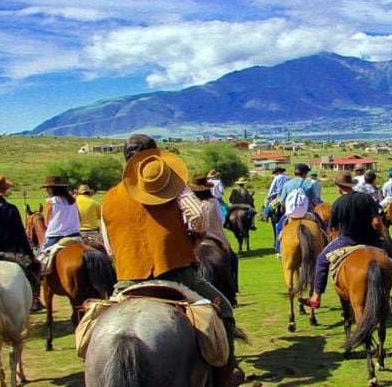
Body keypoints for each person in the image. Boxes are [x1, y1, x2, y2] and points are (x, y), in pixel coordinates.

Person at [100, 134, 242, 385]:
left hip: (128, 281)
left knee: (94, 327)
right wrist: (194, 239)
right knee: (225, 311)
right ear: (153, 158)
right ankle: (225, 377)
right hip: (175, 274)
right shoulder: (170, 184)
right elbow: (198, 216)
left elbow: (110, 248)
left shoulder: (110, 197)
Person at [298, 171, 388, 309]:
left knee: (322, 258)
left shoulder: (338, 204)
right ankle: (387, 298)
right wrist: (381, 234)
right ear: (351, 184)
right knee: (388, 260)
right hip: (370, 239)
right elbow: (376, 222)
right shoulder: (366, 198)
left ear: (338, 187)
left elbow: (333, 229)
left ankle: (316, 296)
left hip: (348, 240)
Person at [0, 174, 43, 311]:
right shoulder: (10, 208)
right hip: (9, 253)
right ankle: (34, 300)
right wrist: (30, 255)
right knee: (34, 270)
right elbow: (20, 236)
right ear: (4, 190)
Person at [192, 174, 238, 304]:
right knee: (233, 259)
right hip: (216, 236)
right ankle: (232, 291)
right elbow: (222, 220)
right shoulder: (213, 202)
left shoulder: (191, 204)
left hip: (195, 239)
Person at [274, 164, 325, 254]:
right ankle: (326, 244)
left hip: (291, 214)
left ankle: (279, 250)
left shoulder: (287, 184)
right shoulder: (308, 184)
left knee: (278, 227)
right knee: (323, 226)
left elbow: (282, 201)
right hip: (307, 213)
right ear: (305, 173)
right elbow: (313, 201)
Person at [40, 176, 81, 251]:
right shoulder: (72, 201)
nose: (46, 190)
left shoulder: (51, 202)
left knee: (38, 258)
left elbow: (46, 223)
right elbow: (79, 218)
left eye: (47, 188)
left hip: (56, 236)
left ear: (52, 189)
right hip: (75, 234)